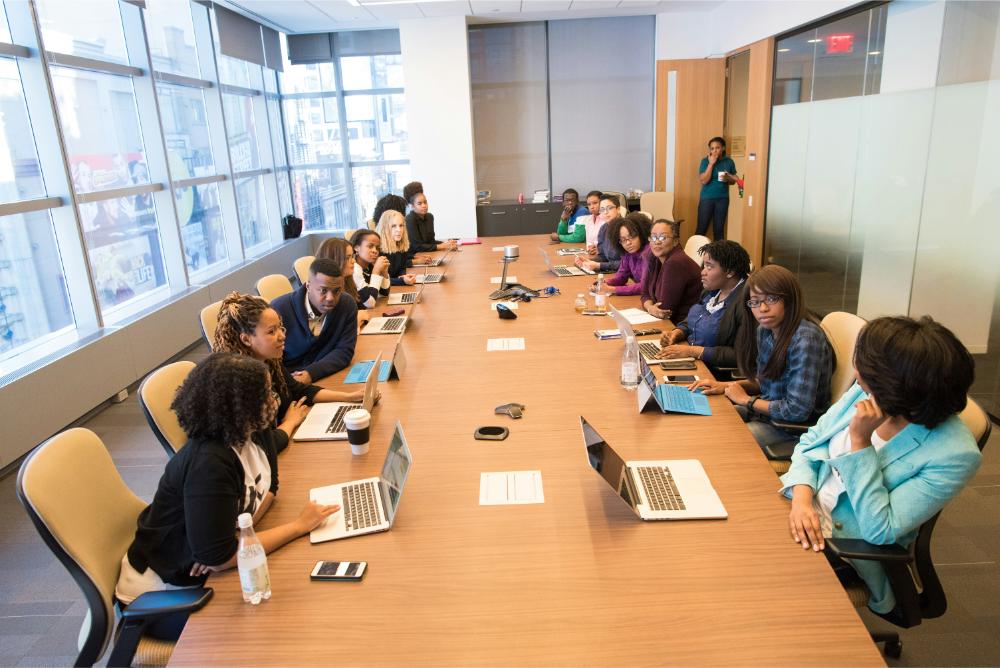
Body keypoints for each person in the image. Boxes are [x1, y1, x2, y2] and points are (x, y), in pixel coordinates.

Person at [779, 316, 981, 619]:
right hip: (802, 509)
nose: (856, 372)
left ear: (896, 384)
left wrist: (861, 443)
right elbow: (810, 442)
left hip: (844, 547)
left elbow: (880, 530)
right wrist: (803, 498)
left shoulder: (953, 454)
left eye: (864, 369)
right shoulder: (868, 391)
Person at [115, 353, 340, 616]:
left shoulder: (254, 429)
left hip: (209, 564)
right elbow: (220, 557)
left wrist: (241, 537)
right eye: (265, 393)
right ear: (240, 407)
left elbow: (270, 488)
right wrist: (298, 526)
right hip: (165, 593)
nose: (274, 399)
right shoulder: (208, 463)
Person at [690, 264, 833, 452]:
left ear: (789, 299)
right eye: (755, 302)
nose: (762, 308)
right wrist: (725, 386)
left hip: (791, 430)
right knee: (704, 422)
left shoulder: (806, 339)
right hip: (765, 414)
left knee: (720, 442)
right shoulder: (765, 331)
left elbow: (797, 410)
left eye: (771, 299)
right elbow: (765, 380)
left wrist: (745, 400)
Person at [213, 292, 364, 452]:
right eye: (271, 332)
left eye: (280, 327)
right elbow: (260, 448)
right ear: (246, 339)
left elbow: (299, 390)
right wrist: (290, 422)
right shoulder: (238, 383)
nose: (282, 336)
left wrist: (350, 397)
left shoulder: (270, 362)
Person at [657, 239, 751, 373]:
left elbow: (741, 355)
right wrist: (678, 332)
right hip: (692, 361)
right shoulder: (712, 290)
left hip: (714, 374)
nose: (703, 272)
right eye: (704, 266)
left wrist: (692, 351)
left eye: (709, 267)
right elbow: (694, 318)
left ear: (730, 272)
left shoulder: (748, 303)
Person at [270, 258, 358, 384]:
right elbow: (270, 361)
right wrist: (292, 381)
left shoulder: (347, 304)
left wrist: (311, 373)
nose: (330, 298)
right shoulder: (278, 309)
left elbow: (344, 350)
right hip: (288, 382)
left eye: (337, 291)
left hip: (324, 376)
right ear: (308, 286)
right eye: (323, 290)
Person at [640, 219, 702, 322]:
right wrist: (650, 308)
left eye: (663, 237)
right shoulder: (654, 258)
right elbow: (645, 293)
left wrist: (651, 308)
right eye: (653, 237)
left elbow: (664, 310)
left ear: (675, 241)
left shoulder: (675, 263)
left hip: (681, 325)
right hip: (666, 322)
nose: (657, 242)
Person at [599, 214, 651, 296]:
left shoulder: (649, 252)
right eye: (623, 240)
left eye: (632, 237)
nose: (628, 243)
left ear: (641, 234)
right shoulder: (628, 253)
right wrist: (604, 283)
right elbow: (621, 278)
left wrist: (612, 289)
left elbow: (645, 286)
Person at [697, 136, 737, 240]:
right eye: (712, 148)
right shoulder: (705, 161)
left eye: (717, 147)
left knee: (719, 231)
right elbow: (704, 180)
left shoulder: (729, 161)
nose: (715, 150)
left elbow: (734, 180)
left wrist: (729, 178)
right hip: (707, 198)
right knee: (701, 229)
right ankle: (694, 255)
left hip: (723, 198)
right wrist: (711, 164)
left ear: (723, 148)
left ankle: (718, 256)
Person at [376, 210, 431, 286]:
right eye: (393, 226)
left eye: (401, 225)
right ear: (384, 228)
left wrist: (404, 277)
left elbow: (402, 268)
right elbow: (379, 280)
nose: (399, 230)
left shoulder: (401, 245)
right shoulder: (377, 250)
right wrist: (401, 281)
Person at [575, 195, 627, 274]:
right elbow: (603, 257)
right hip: (611, 272)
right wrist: (588, 261)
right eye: (602, 209)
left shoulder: (625, 229)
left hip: (626, 275)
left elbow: (627, 263)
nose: (605, 212)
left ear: (618, 209)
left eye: (609, 208)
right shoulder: (604, 228)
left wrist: (599, 265)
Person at [403, 182, 457, 253]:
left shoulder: (429, 217)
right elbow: (416, 246)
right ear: (412, 206)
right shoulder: (409, 219)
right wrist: (442, 246)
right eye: (419, 203)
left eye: (425, 202)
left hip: (429, 254)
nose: (424, 205)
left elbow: (431, 242)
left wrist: (447, 243)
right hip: (417, 256)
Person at [316, 237, 365, 309]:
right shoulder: (325, 295)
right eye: (347, 258)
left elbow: (361, 308)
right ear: (334, 260)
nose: (353, 261)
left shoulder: (347, 282)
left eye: (352, 256)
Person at [351, 229, 391, 304]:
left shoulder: (369, 266)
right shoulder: (354, 268)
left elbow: (384, 293)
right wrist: (376, 271)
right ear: (356, 248)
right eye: (370, 246)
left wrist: (384, 272)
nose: (375, 251)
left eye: (377, 248)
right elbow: (369, 303)